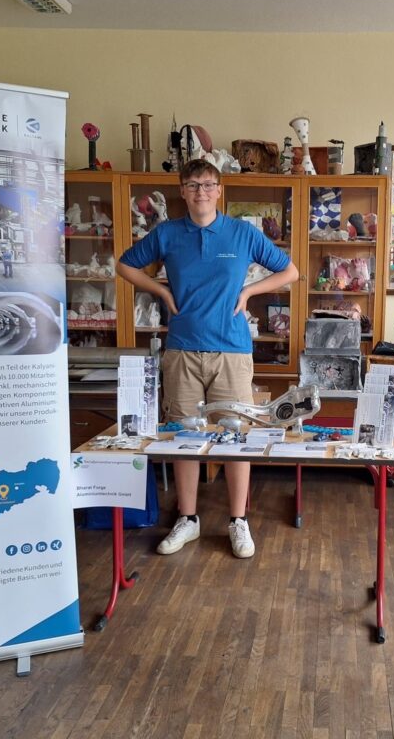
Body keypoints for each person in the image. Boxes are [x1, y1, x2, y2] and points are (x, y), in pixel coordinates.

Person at [117, 159, 298, 559]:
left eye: (208, 184)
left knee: (235, 437)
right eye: (193, 184)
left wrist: (250, 292)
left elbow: (290, 272)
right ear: (183, 191)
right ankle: (188, 519)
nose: (201, 191)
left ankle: (238, 520)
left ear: (219, 191)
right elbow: (125, 265)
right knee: (185, 437)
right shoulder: (167, 234)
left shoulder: (242, 233)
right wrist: (162, 293)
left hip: (232, 352)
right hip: (182, 349)